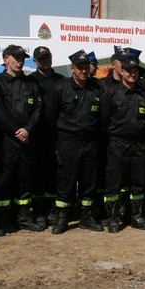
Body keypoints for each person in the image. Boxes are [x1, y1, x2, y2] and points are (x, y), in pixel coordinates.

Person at [44, 50, 104, 234]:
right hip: (68, 142)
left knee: (88, 182)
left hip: (90, 143)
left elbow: (102, 117)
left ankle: (86, 216)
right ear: (72, 68)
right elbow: (50, 117)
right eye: (80, 68)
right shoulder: (61, 88)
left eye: (86, 67)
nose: (84, 71)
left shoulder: (97, 88)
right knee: (66, 182)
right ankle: (62, 217)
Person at [0, 45, 43, 235]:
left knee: (24, 180)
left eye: (22, 58)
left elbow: (38, 110)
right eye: (16, 58)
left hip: (27, 140)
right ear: (6, 59)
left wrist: (27, 130)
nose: (20, 62)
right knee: (4, 180)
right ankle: (1, 219)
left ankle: (23, 217)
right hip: (6, 141)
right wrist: (16, 131)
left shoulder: (31, 84)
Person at [101, 56, 145, 233]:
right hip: (118, 143)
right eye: (128, 70)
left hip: (139, 144)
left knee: (138, 183)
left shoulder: (144, 93)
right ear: (121, 71)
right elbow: (104, 119)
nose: (132, 73)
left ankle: (136, 216)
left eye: (135, 71)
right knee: (114, 183)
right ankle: (114, 218)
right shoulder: (112, 92)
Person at [30, 45, 65, 229]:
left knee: (54, 176)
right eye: (42, 59)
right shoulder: (30, 81)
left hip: (57, 135)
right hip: (36, 135)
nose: (46, 61)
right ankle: (39, 213)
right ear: (35, 61)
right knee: (37, 176)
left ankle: (52, 211)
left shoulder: (61, 80)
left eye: (48, 57)